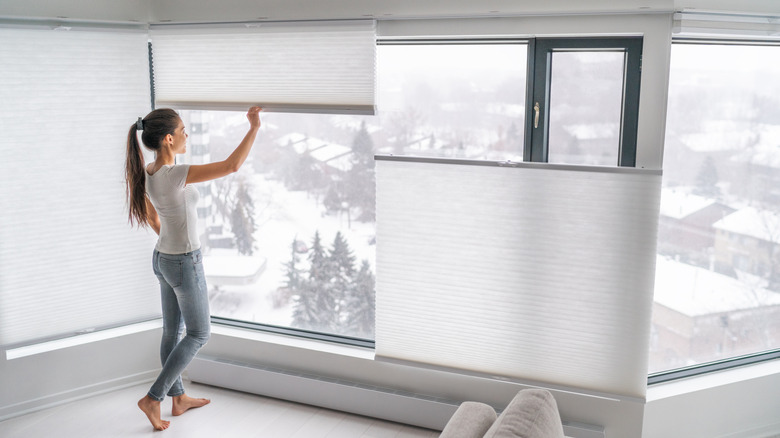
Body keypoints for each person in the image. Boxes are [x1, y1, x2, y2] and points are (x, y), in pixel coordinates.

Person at [125, 106, 262, 430]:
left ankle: (178, 398)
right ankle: (154, 398)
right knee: (200, 333)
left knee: (172, 333)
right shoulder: (175, 174)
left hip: (163, 258)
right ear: (169, 139)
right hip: (184, 261)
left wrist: (172, 246)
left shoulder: (148, 170)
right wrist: (254, 127)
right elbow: (232, 166)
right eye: (184, 130)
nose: (189, 135)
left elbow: (154, 218)